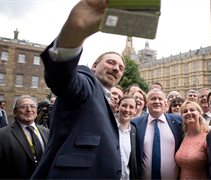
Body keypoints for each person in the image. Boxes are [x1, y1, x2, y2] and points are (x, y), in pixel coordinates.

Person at [31, 0, 125, 178]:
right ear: (94, 66)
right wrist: (74, 33)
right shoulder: (87, 80)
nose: (116, 69)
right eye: (111, 62)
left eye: (121, 68)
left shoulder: (106, 99)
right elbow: (63, 78)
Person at [131, 88, 183, 179]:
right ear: (146, 103)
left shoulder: (178, 122)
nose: (157, 101)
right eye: (153, 99)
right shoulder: (136, 124)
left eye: (160, 99)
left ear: (165, 103)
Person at [0, 95, 49, 179]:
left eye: (32, 106)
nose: (29, 110)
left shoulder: (47, 133)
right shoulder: (2, 135)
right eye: (23, 107)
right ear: (15, 112)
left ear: (36, 111)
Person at [175, 101, 209, 179]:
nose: (188, 113)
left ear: (199, 113)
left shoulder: (208, 137)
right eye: (185, 111)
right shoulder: (183, 136)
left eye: (192, 110)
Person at [116, 96, 138, 179]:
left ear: (135, 111)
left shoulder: (134, 131)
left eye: (131, 107)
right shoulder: (108, 127)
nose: (127, 110)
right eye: (124, 105)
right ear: (118, 107)